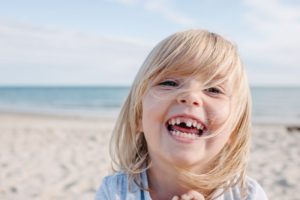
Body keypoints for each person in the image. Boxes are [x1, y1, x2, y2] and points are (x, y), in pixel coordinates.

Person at [95, 29, 268, 200]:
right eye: (169, 82)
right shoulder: (115, 191)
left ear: (235, 127)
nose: (190, 96)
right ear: (138, 114)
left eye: (213, 89)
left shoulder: (248, 194)